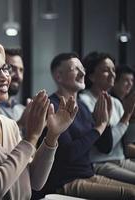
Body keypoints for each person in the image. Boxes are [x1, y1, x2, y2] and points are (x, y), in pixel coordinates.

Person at [0, 42, 78, 200]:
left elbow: (35, 181)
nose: (6, 77)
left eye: (5, 69)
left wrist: (52, 136)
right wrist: (31, 138)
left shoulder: (10, 124)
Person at [35, 53, 135, 199]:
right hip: (65, 181)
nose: (82, 73)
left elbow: (105, 146)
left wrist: (104, 122)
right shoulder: (52, 106)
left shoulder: (82, 106)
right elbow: (69, 154)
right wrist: (98, 128)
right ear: (59, 76)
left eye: (82, 68)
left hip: (89, 175)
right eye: (75, 69)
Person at [79, 51, 135, 184]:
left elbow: (125, 143)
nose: (112, 75)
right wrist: (126, 116)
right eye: (106, 70)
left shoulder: (116, 102)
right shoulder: (84, 101)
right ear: (92, 76)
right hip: (99, 162)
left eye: (113, 70)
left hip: (120, 160)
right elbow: (106, 146)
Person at [0, 48, 26, 128]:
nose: (18, 76)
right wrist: (21, 124)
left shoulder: (23, 110)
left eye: (21, 70)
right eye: (12, 69)